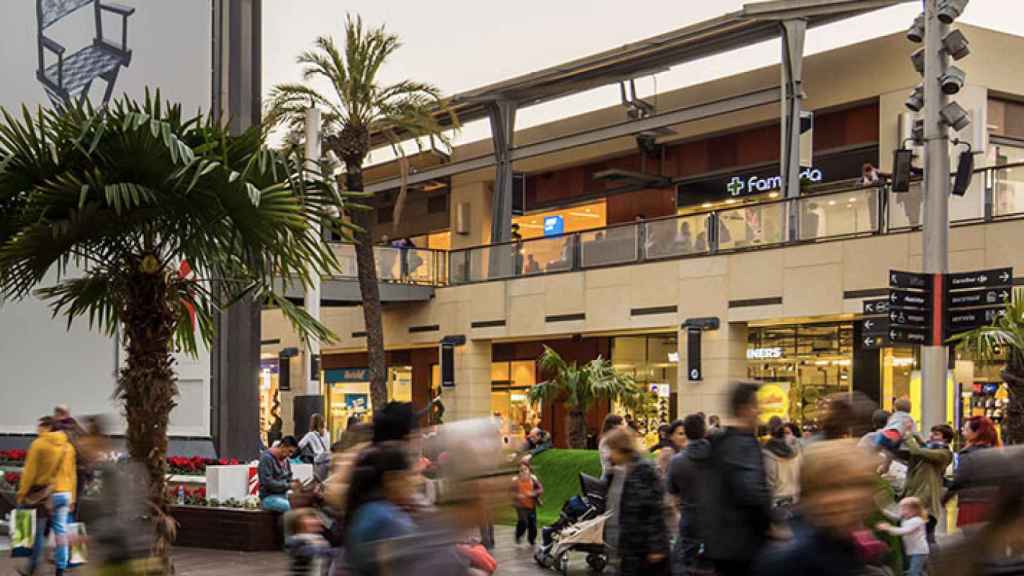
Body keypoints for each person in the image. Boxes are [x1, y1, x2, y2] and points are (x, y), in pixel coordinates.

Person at [754, 439, 884, 576]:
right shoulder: (790, 559)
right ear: (812, 494)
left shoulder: (848, 540)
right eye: (836, 487)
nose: (853, 497)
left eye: (861, 485)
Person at [703, 383, 772, 576]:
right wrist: (771, 524)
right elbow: (751, 490)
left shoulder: (717, 442)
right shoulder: (744, 444)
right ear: (745, 409)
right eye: (756, 406)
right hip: (744, 544)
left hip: (721, 543)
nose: (759, 411)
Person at [342, 443, 418, 576]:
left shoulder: (364, 510)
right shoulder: (391, 521)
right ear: (392, 479)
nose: (415, 483)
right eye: (411, 476)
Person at [605, 428, 670, 576]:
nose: (609, 455)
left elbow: (654, 509)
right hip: (629, 548)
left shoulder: (644, 470)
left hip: (644, 550)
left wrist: (656, 547)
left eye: (612, 450)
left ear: (621, 449)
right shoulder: (621, 472)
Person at [17, 416, 76, 576]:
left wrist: (22, 493)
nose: (38, 429)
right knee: (60, 531)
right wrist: (73, 497)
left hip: (45, 494)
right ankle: (60, 569)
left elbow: (29, 472)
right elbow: (72, 474)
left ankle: (33, 567)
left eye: (40, 426)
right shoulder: (68, 447)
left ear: (47, 427)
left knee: (39, 532)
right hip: (65, 493)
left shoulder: (38, 444)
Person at [666, 414, 713, 576]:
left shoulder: (677, 461)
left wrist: (682, 508)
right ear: (704, 430)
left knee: (683, 561)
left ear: (686, 432)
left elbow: (673, 494)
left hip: (690, 517)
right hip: (716, 518)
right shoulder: (718, 457)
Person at [946, 416, 1002, 527]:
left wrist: (945, 497)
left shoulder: (968, 453)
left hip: (972, 503)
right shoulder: (997, 452)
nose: (962, 430)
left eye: (966, 429)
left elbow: (960, 479)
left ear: (976, 433)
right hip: (994, 503)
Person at [903, 424, 953, 544]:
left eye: (936, 434)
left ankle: (934, 562)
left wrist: (908, 437)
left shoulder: (944, 453)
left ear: (945, 439)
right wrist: (915, 435)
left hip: (927, 503)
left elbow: (917, 451)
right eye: (931, 432)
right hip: (916, 499)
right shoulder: (931, 449)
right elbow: (924, 450)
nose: (931, 436)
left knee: (926, 541)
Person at [877, 497, 930, 576]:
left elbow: (904, 530)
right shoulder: (906, 518)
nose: (901, 511)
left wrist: (888, 528)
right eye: (900, 509)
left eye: (904, 509)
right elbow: (895, 517)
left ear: (914, 510)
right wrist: (883, 511)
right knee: (919, 571)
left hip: (919, 551)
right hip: (912, 551)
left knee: (913, 572)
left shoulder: (917, 520)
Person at [762, 419, 801, 511]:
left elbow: (770, 482)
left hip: (778, 502)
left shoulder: (768, 452)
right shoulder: (798, 448)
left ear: (770, 432)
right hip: (797, 499)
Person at [286, 507, 335, 576]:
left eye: (317, 518)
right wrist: (333, 552)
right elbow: (308, 551)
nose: (317, 520)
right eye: (311, 518)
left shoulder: (319, 538)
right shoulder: (296, 540)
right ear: (298, 522)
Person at [259, 435, 298, 512]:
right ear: (282, 446)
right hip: (268, 498)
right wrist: (289, 485)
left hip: (283, 496)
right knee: (290, 507)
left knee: (303, 505)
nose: (290, 455)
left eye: (292, 453)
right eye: (290, 451)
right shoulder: (266, 458)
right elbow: (268, 483)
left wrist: (295, 483)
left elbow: (289, 478)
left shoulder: (286, 460)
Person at [512, 460, 543, 547]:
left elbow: (540, 489)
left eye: (525, 469)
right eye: (521, 470)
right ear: (518, 471)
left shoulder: (533, 478)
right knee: (523, 522)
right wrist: (517, 495)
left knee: (532, 524)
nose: (523, 472)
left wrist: (534, 493)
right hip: (520, 505)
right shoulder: (515, 480)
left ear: (529, 469)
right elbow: (510, 493)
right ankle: (518, 535)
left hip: (531, 504)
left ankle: (532, 539)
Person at [600, 414, 626, 479]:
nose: (625, 426)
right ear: (614, 426)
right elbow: (609, 465)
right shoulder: (606, 441)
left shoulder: (620, 440)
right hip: (610, 479)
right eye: (622, 424)